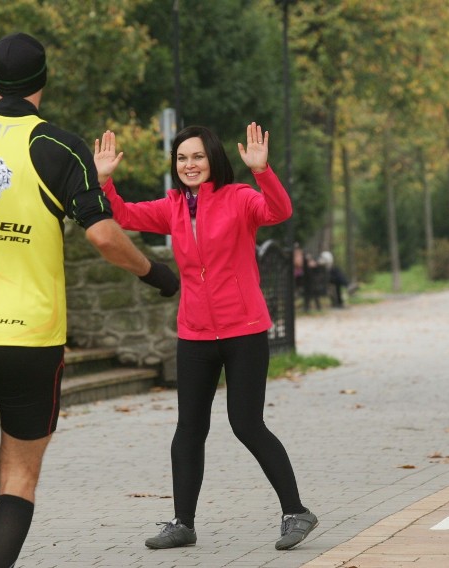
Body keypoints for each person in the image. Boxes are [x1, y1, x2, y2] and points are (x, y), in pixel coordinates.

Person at [0, 32, 179, 568]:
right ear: (42, 82)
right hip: (32, 338)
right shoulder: (60, 147)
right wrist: (155, 272)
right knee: (18, 479)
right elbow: (102, 235)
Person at [94, 123, 318, 551]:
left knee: (246, 424)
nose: (189, 164)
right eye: (181, 158)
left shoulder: (239, 199)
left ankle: (295, 511)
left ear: (212, 159)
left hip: (244, 329)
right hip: (194, 333)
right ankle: (183, 523)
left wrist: (263, 170)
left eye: (196, 156)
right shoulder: (173, 206)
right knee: (189, 429)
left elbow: (279, 211)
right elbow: (121, 215)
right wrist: (105, 181)